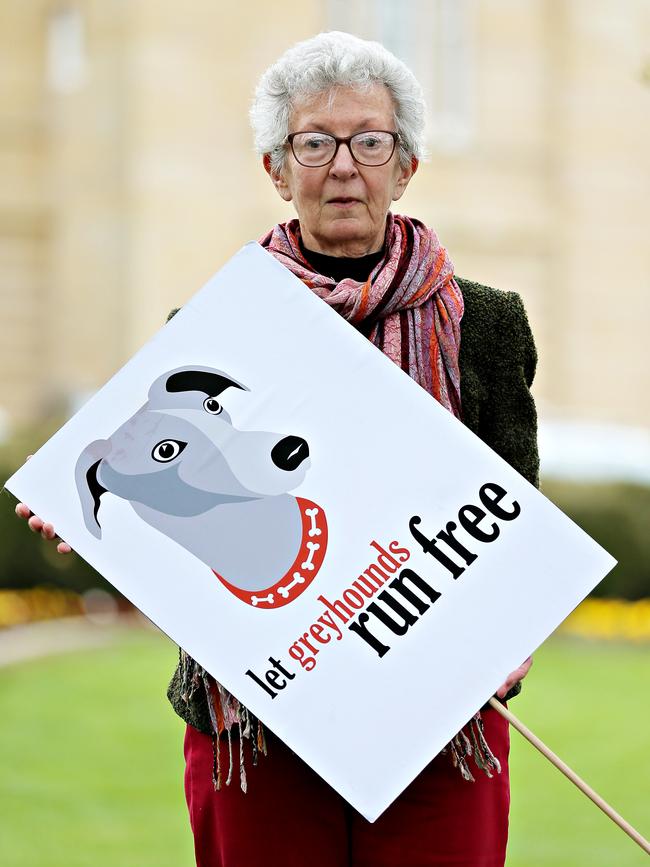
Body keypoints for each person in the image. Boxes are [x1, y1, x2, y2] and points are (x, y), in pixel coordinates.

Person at [17, 31, 536, 867]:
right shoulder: (212, 332)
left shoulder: (487, 323)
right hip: (253, 730)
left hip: (437, 719)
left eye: (371, 141)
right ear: (275, 167)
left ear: (405, 166)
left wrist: (505, 634)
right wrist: (79, 517)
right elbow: (158, 494)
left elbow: (516, 503)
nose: (343, 166)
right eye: (314, 143)